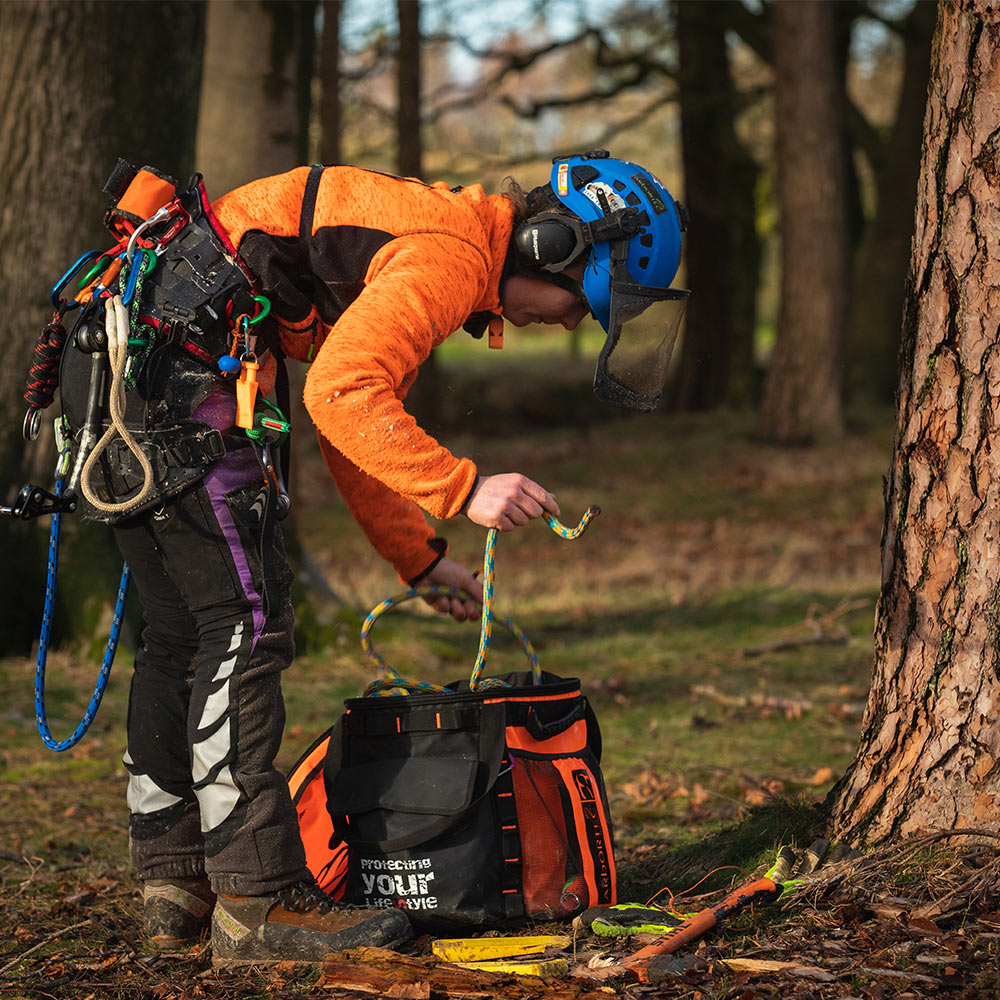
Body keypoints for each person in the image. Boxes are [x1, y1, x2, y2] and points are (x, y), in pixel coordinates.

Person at [56, 149, 688, 965]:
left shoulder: (440, 240)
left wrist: (420, 559)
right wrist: (465, 488)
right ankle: (257, 905)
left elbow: (352, 424)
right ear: (552, 246)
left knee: (184, 632)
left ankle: (176, 885)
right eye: (583, 303)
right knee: (244, 629)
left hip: (123, 362)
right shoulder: (455, 253)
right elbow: (343, 393)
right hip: (177, 380)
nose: (571, 323)